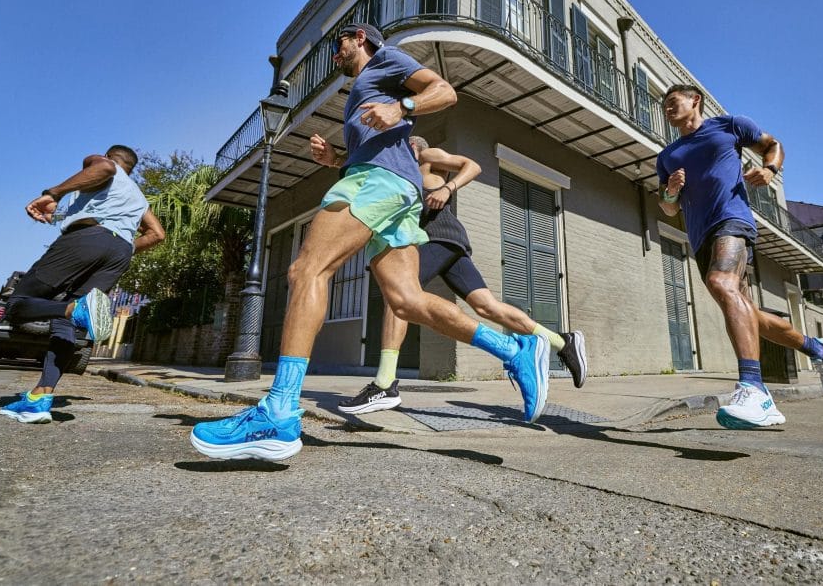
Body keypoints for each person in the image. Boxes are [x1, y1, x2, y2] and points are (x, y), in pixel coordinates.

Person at [190, 23, 551, 461]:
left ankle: (279, 413)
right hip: (390, 185)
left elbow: (445, 91)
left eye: (338, 44)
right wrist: (336, 159)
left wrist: (403, 106)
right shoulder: (364, 90)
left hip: (378, 183)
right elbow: (380, 147)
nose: (334, 54)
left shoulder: (385, 60)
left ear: (359, 38)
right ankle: (513, 349)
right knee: (406, 301)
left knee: (307, 270)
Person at [338, 136, 588, 415]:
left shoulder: (427, 156)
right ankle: (563, 342)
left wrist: (447, 188)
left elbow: (472, 166)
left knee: (399, 296)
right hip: (448, 243)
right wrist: (336, 161)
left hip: (439, 237)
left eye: (402, 146)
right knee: (487, 306)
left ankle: (384, 383)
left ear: (412, 146)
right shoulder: (402, 172)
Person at [656, 84, 823, 429]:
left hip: (732, 219)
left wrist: (770, 169)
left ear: (695, 100)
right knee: (749, 315)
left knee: (721, 282)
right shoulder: (667, 156)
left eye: (673, 102)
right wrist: (671, 192)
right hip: (700, 238)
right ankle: (820, 349)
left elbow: (772, 145)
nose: (667, 109)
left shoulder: (729, 125)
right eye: (665, 105)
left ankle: (754, 388)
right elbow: (668, 209)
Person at [0, 145, 165, 424]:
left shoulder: (104, 164)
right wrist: (118, 247)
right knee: (66, 324)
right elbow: (157, 234)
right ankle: (40, 398)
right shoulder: (137, 197)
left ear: (110, 156)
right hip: (120, 252)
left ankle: (72, 308)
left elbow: (105, 169)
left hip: (88, 238)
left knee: (16, 305)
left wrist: (53, 193)